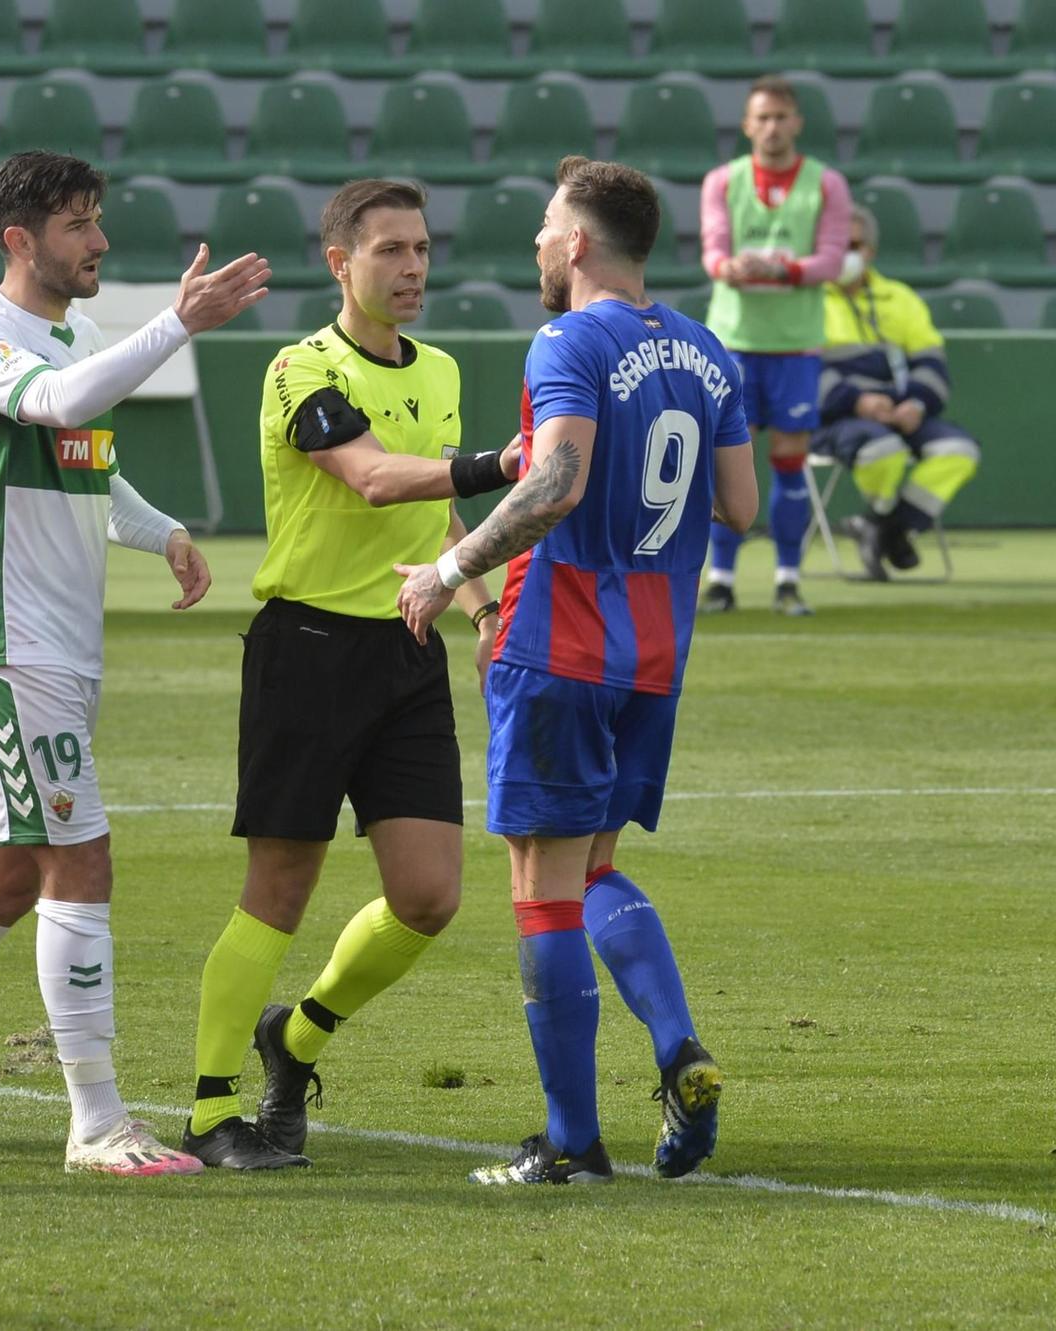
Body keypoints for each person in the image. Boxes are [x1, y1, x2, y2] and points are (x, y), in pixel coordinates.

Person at [0, 150, 268, 1175]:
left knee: (1, 873)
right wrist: (179, 324)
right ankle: (98, 1119)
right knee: (81, 854)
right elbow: (59, 408)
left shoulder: (72, 334)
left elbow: (86, 465)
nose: (99, 240)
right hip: (4, 641)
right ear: (18, 238)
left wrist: (162, 532)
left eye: (98, 219)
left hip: (60, 643)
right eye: (77, 224)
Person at [397, 156, 759, 1186]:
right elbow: (738, 505)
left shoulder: (568, 337)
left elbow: (552, 481)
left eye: (545, 230)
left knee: (538, 886)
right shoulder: (704, 351)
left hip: (558, 643)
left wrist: (448, 566)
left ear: (578, 245)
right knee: (590, 867)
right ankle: (679, 1046)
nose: (536, 247)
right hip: (652, 655)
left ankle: (568, 1142)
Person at [180, 179, 522, 1171]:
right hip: (308, 649)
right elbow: (374, 478)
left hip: (405, 649)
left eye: (419, 249)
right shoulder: (299, 369)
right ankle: (206, 1113)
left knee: (428, 894)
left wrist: (481, 602)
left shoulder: (443, 369)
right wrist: (500, 462)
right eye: (387, 251)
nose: (411, 268)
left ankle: (294, 1039)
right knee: (277, 888)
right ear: (339, 263)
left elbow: (431, 524)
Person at [698, 75, 851, 616]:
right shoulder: (723, 180)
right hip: (733, 344)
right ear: (746, 124)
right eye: (761, 117)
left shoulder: (826, 184)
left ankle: (788, 579)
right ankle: (721, 580)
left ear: (797, 123)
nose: (771, 127)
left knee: (790, 462)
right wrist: (731, 267)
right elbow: (713, 254)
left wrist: (778, 269)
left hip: (795, 346)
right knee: (725, 463)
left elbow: (833, 261)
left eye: (781, 117)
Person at [817, 206, 980, 581]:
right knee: (882, 451)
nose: (843, 251)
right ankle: (890, 531)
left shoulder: (900, 298)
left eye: (852, 243)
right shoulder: (806, 301)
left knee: (960, 451)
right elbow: (802, 374)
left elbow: (933, 364)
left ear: (870, 250)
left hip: (902, 409)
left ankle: (884, 527)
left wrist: (918, 403)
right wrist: (857, 401)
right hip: (838, 417)